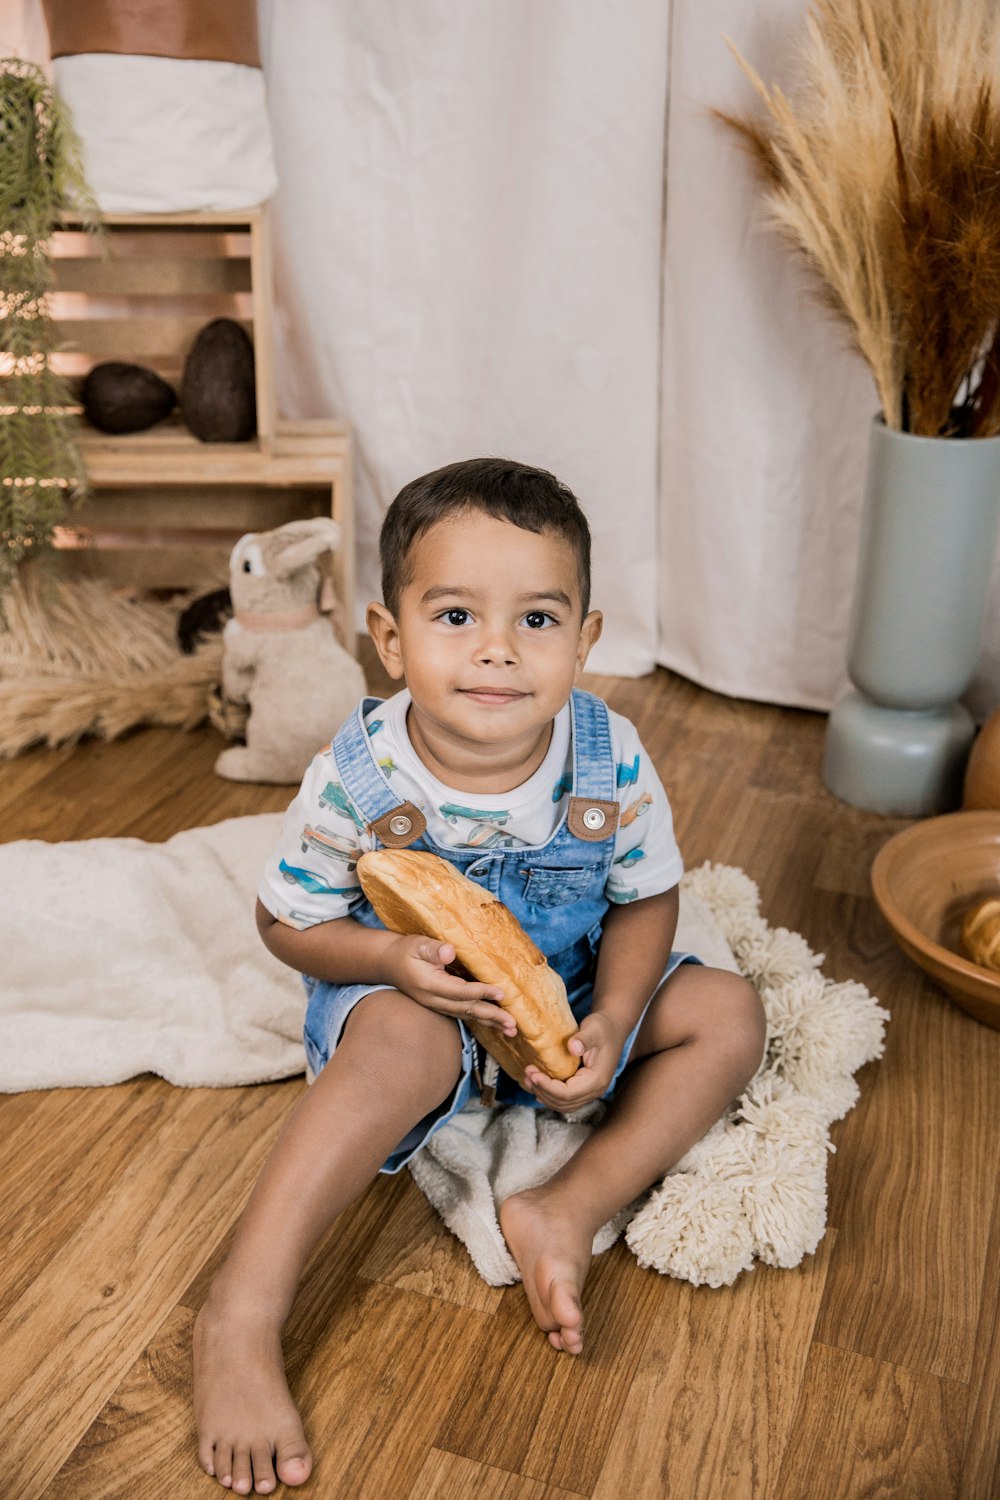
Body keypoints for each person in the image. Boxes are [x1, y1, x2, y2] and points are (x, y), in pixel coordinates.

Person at [193, 457, 766, 1495]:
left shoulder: (610, 759)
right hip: (415, 994)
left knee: (729, 1014)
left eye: (538, 621)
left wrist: (619, 1012)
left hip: (572, 977)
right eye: (454, 615)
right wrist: (382, 956)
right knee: (401, 1042)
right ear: (388, 636)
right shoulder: (357, 779)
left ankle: (565, 1207)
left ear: (585, 641)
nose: (498, 648)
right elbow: (286, 919)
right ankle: (242, 1307)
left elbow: (642, 897)